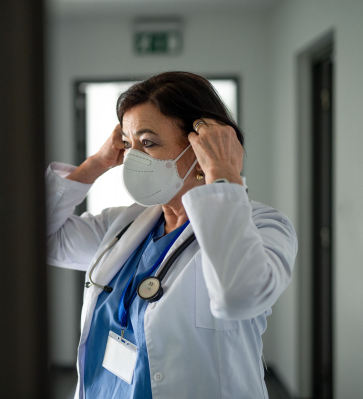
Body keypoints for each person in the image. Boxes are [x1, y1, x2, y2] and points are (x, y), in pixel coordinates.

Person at [45, 71, 297, 399]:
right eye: (128, 143)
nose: (133, 158)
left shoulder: (263, 226)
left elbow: (239, 294)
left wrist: (223, 173)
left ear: (198, 149)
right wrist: (94, 164)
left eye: (148, 143)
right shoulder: (124, 224)